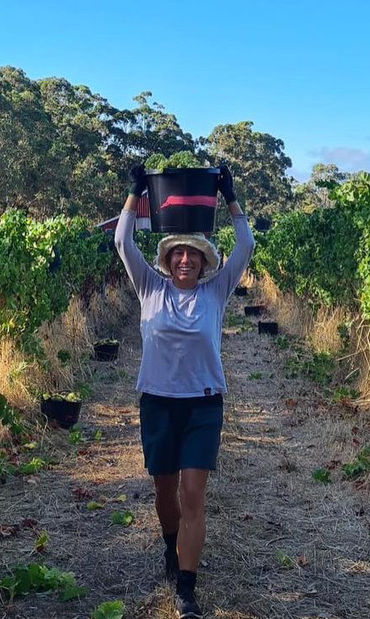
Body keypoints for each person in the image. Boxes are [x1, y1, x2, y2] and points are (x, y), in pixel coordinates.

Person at [113, 163, 254, 619]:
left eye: (193, 255)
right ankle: (171, 547)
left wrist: (229, 198)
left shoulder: (217, 292)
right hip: (157, 402)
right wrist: (136, 194)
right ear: (168, 260)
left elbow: (245, 246)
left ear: (203, 261)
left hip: (203, 405)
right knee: (164, 491)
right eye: (177, 255)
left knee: (193, 494)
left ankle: (187, 591)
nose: (185, 261)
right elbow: (122, 242)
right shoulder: (149, 289)